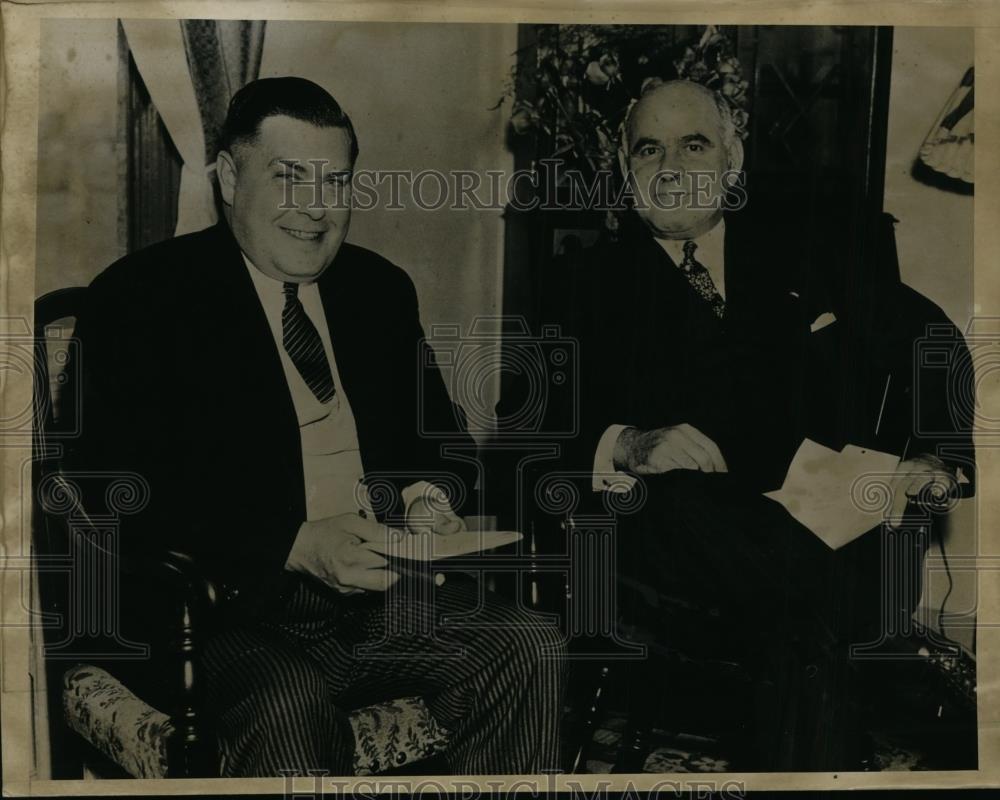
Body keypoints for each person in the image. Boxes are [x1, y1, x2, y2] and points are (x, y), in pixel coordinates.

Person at [67, 77, 566, 778]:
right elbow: (112, 492)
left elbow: (445, 448)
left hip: (376, 599)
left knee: (528, 644)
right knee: (288, 704)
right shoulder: (141, 299)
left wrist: (429, 496)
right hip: (216, 613)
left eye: (334, 182)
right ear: (230, 177)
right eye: (289, 177)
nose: (315, 208)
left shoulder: (378, 291)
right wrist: (293, 544)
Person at [542, 79, 974, 770]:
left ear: (732, 161)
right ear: (626, 173)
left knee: (802, 621)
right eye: (649, 150)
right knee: (807, 592)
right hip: (676, 531)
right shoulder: (579, 285)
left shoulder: (805, 253)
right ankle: (899, 671)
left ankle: (863, 673)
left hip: (819, 512)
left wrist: (934, 455)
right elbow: (528, 436)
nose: (672, 168)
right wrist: (624, 442)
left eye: (694, 144)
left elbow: (932, 339)